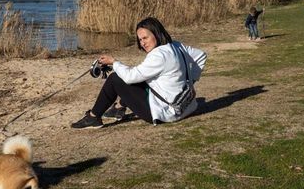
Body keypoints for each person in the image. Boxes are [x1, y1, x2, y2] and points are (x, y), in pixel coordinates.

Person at [71, 17, 207, 129]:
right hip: (187, 106)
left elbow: (130, 77)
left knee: (115, 79)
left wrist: (114, 62)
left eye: (145, 38)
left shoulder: (159, 55)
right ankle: (119, 107)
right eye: (140, 40)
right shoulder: (176, 46)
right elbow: (200, 55)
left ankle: (93, 117)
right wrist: (190, 82)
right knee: (140, 76)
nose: (142, 43)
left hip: (167, 113)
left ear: (156, 33)